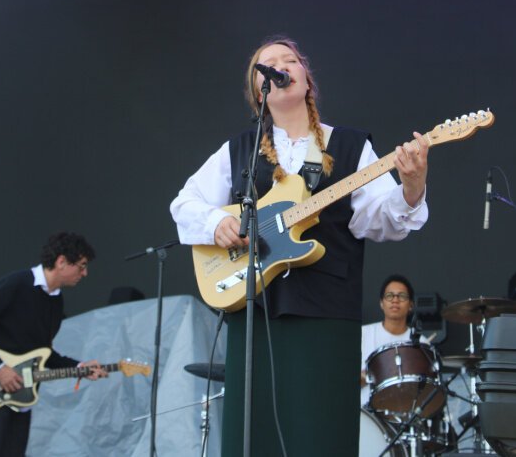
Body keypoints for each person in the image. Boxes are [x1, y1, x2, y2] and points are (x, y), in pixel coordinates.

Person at [170, 37, 429, 456]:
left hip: (326, 312)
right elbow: (184, 204)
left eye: (289, 60)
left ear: (306, 80)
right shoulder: (240, 149)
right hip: (254, 311)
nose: (279, 66)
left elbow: (382, 220)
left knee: (319, 434)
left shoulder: (349, 146)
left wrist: (412, 186)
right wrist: (218, 221)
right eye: (266, 65)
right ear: (260, 92)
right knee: (252, 437)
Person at [0, 232, 107, 456]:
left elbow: (43, 352)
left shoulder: (56, 301)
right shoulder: (17, 284)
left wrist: (80, 368)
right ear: (61, 261)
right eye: (82, 266)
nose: (85, 273)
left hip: (22, 393)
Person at [360, 274, 420, 408]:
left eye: (402, 296)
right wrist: (367, 376)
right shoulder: (362, 334)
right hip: (365, 416)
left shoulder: (421, 343)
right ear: (381, 303)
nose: (395, 300)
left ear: (411, 305)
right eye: (389, 296)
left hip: (407, 416)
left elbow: (425, 391)